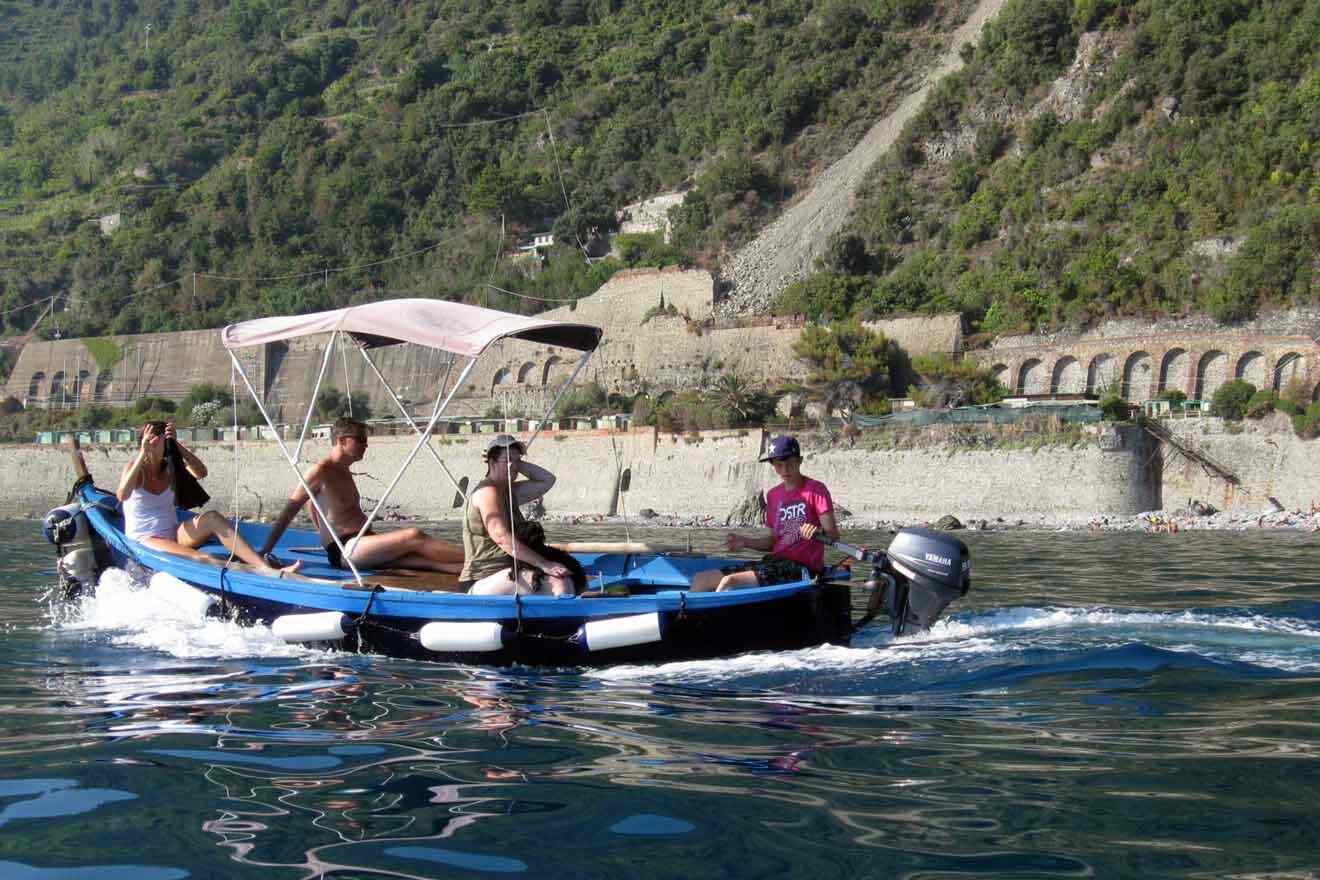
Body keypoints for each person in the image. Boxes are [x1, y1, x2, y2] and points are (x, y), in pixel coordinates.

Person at [259, 417, 463, 573]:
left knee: (422, 559)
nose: (366, 445)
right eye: (361, 440)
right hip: (346, 549)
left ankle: (470, 567)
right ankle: (481, 557)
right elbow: (289, 512)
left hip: (365, 542)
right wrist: (264, 552)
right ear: (341, 440)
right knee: (414, 536)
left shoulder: (345, 471)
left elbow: (316, 511)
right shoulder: (320, 472)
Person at [117, 419, 301, 576]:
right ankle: (257, 572)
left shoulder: (170, 468)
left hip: (173, 532)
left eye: (160, 441)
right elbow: (122, 494)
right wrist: (143, 453)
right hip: (146, 538)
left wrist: (177, 445)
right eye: (151, 441)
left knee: (212, 517)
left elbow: (200, 472)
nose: (155, 445)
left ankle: (263, 565)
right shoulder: (135, 468)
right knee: (203, 559)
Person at [690, 435, 839, 592]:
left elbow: (833, 535)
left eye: (789, 463)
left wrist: (818, 532)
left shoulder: (816, 490)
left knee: (730, 582)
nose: (784, 470)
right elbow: (773, 542)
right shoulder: (773, 495)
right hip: (773, 563)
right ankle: (689, 616)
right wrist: (745, 541)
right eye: (778, 465)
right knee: (701, 579)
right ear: (773, 465)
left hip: (803, 569)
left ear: (800, 461)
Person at [460, 434, 576, 596]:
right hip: (483, 578)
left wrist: (516, 464)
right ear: (492, 462)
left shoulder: (509, 491)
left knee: (569, 577)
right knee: (559, 584)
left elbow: (547, 480)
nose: (513, 465)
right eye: (506, 460)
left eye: (517, 460)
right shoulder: (487, 492)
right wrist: (544, 564)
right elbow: (501, 537)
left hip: (510, 571)